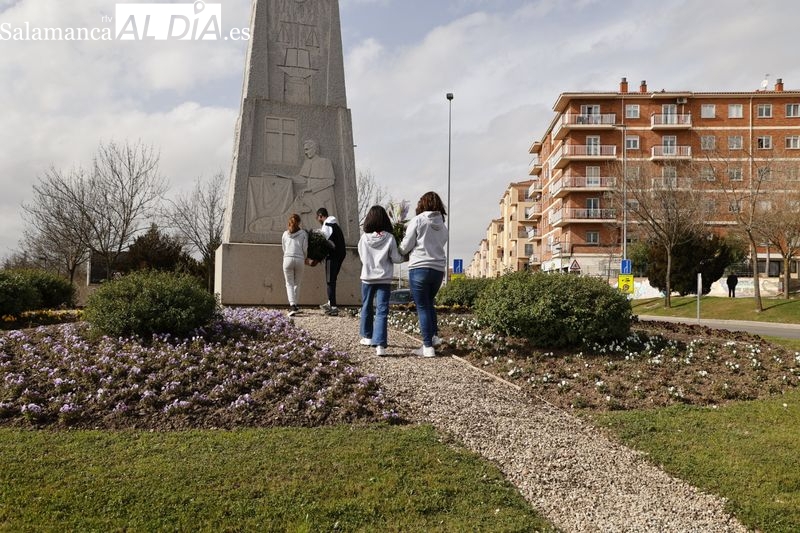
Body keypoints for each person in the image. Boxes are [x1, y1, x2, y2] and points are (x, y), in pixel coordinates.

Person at [399, 191, 448, 357]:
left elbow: (406, 245)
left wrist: (399, 249)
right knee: (429, 303)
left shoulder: (418, 220)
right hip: (438, 270)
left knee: (422, 307)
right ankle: (434, 338)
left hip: (420, 267)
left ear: (423, 204)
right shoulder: (443, 225)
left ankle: (427, 347)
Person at [358, 205, 405, 356]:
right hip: (384, 278)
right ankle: (380, 346)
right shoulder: (390, 238)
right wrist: (406, 256)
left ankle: (367, 337)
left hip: (367, 277)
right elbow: (396, 258)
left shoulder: (364, 238)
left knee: (366, 306)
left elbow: (362, 257)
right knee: (382, 310)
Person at [317, 207, 346, 316]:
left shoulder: (327, 225)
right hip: (340, 255)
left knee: (330, 281)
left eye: (318, 218)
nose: (319, 221)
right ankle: (330, 302)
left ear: (321, 216)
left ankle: (333, 307)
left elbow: (325, 240)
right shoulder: (335, 225)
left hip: (332, 256)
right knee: (333, 279)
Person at [281, 213, 308, 316]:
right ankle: (295, 305)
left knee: (289, 284)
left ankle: (292, 305)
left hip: (287, 258)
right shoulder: (303, 234)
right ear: (299, 222)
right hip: (300, 259)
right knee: (297, 283)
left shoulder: (285, 234)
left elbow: (283, 248)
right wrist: (305, 257)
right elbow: (305, 248)